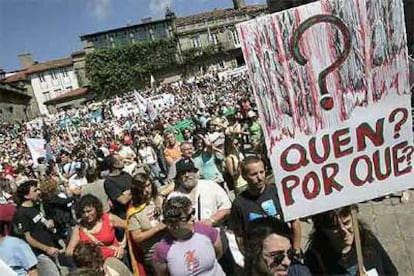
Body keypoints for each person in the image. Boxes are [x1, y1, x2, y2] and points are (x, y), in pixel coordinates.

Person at [229, 156, 302, 255]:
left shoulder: (277, 192)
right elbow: (239, 236)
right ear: (244, 176)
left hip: (286, 252)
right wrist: (249, 258)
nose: (259, 177)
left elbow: (295, 222)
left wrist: (296, 249)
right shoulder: (239, 203)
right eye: (254, 174)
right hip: (261, 258)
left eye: (262, 172)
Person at [305, 205, 398, 275]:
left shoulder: (367, 240)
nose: (344, 231)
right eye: (335, 228)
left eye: (347, 223)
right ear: (323, 230)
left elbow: (391, 272)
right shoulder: (315, 258)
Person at [152, 195, 225, 276]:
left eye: (193, 212)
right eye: (188, 216)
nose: (193, 217)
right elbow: (162, 274)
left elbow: (219, 253)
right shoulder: (163, 249)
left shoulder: (206, 231)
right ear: (173, 223)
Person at [12, 180, 61, 276]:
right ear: (26, 196)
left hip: (50, 249)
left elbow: (41, 222)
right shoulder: (21, 213)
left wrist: (49, 222)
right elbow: (28, 238)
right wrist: (46, 249)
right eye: (35, 190)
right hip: (40, 254)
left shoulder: (35, 206)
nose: (38, 192)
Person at [66, 194, 126, 262]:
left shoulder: (108, 218)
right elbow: (69, 252)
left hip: (115, 260)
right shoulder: (79, 228)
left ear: (96, 208)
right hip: (95, 266)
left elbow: (129, 227)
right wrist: (85, 253)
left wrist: (122, 246)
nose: (86, 215)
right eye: (83, 212)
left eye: (89, 211)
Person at [127, 172, 166, 275]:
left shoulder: (155, 199)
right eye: (143, 188)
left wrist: (159, 200)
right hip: (154, 253)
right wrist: (157, 228)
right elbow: (137, 237)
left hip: (169, 244)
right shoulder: (134, 211)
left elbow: (170, 186)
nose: (147, 190)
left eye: (148, 185)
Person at [244, 217, 312, 276]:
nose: (287, 262)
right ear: (254, 254)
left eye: (290, 254)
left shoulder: (298, 271)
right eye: (277, 256)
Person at [103, 154, 132, 220]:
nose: (123, 161)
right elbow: (123, 200)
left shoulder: (125, 174)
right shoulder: (109, 182)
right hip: (127, 216)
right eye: (121, 160)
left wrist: (128, 193)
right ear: (115, 165)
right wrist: (134, 189)